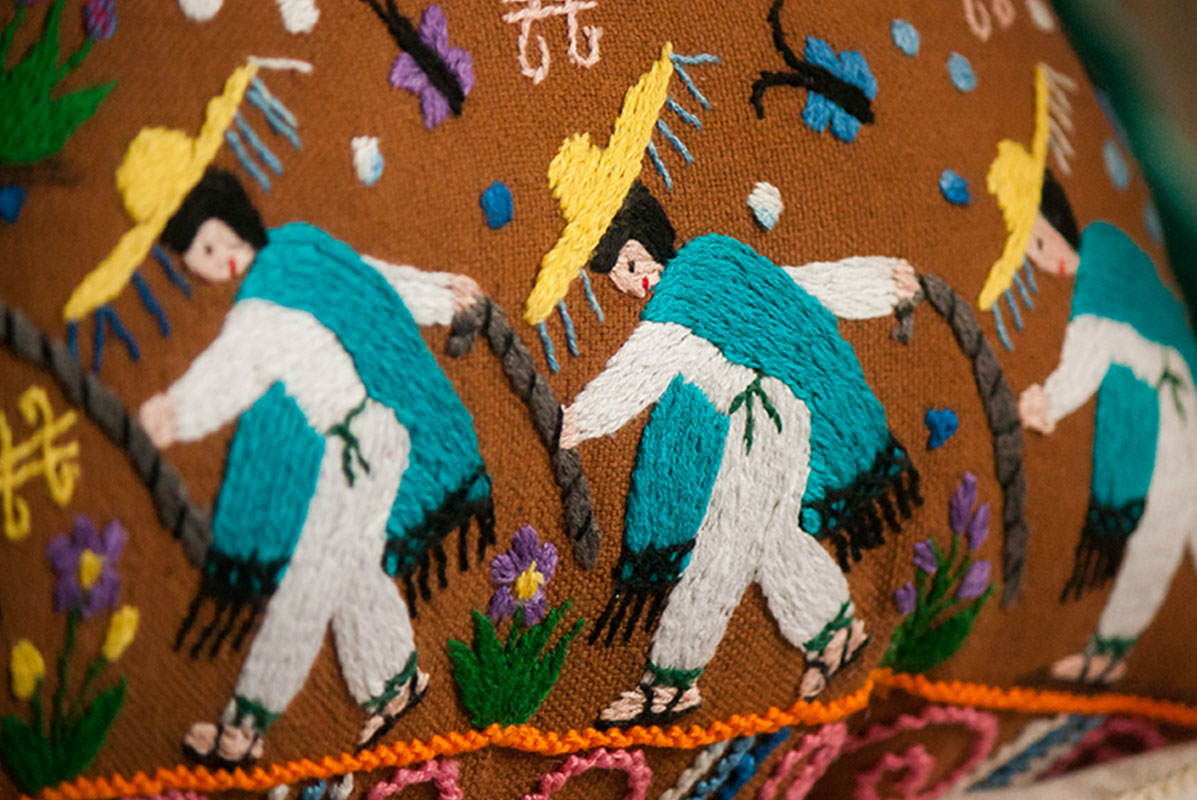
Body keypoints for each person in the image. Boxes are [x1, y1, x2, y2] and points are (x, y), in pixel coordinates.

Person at [138, 167, 494, 764]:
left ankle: (245, 725)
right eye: (202, 256)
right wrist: (175, 413)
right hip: (343, 451)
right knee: (349, 564)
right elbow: (228, 374)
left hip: (368, 441)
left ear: (234, 220)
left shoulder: (290, 267)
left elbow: (371, 284)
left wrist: (440, 296)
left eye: (216, 242)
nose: (219, 260)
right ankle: (394, 682)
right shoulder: (269, 289)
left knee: (310, 578)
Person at [558, 181, 923, 727]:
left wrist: (579, 422)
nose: (633, 283)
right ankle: (837, 635)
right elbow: (796, 287)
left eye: (631, 264)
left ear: (650, 241)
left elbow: (642, 370)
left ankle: (672, 682)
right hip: (764, 423)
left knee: (721, 548)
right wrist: (882, 284)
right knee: (772, 539)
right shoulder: (717, 267)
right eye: (619, 277)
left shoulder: (687, 293)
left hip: (758, 426)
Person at [1019, 220, 1197, 684]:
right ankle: (1109, 649)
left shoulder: (1101, 281)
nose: (1039, 258)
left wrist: (1048, 402)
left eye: (1039, 244)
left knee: (1159, 532)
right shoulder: (1119, 268)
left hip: (1177, 426)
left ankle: (1109, 650)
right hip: (1181, 414)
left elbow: (1088, 357)